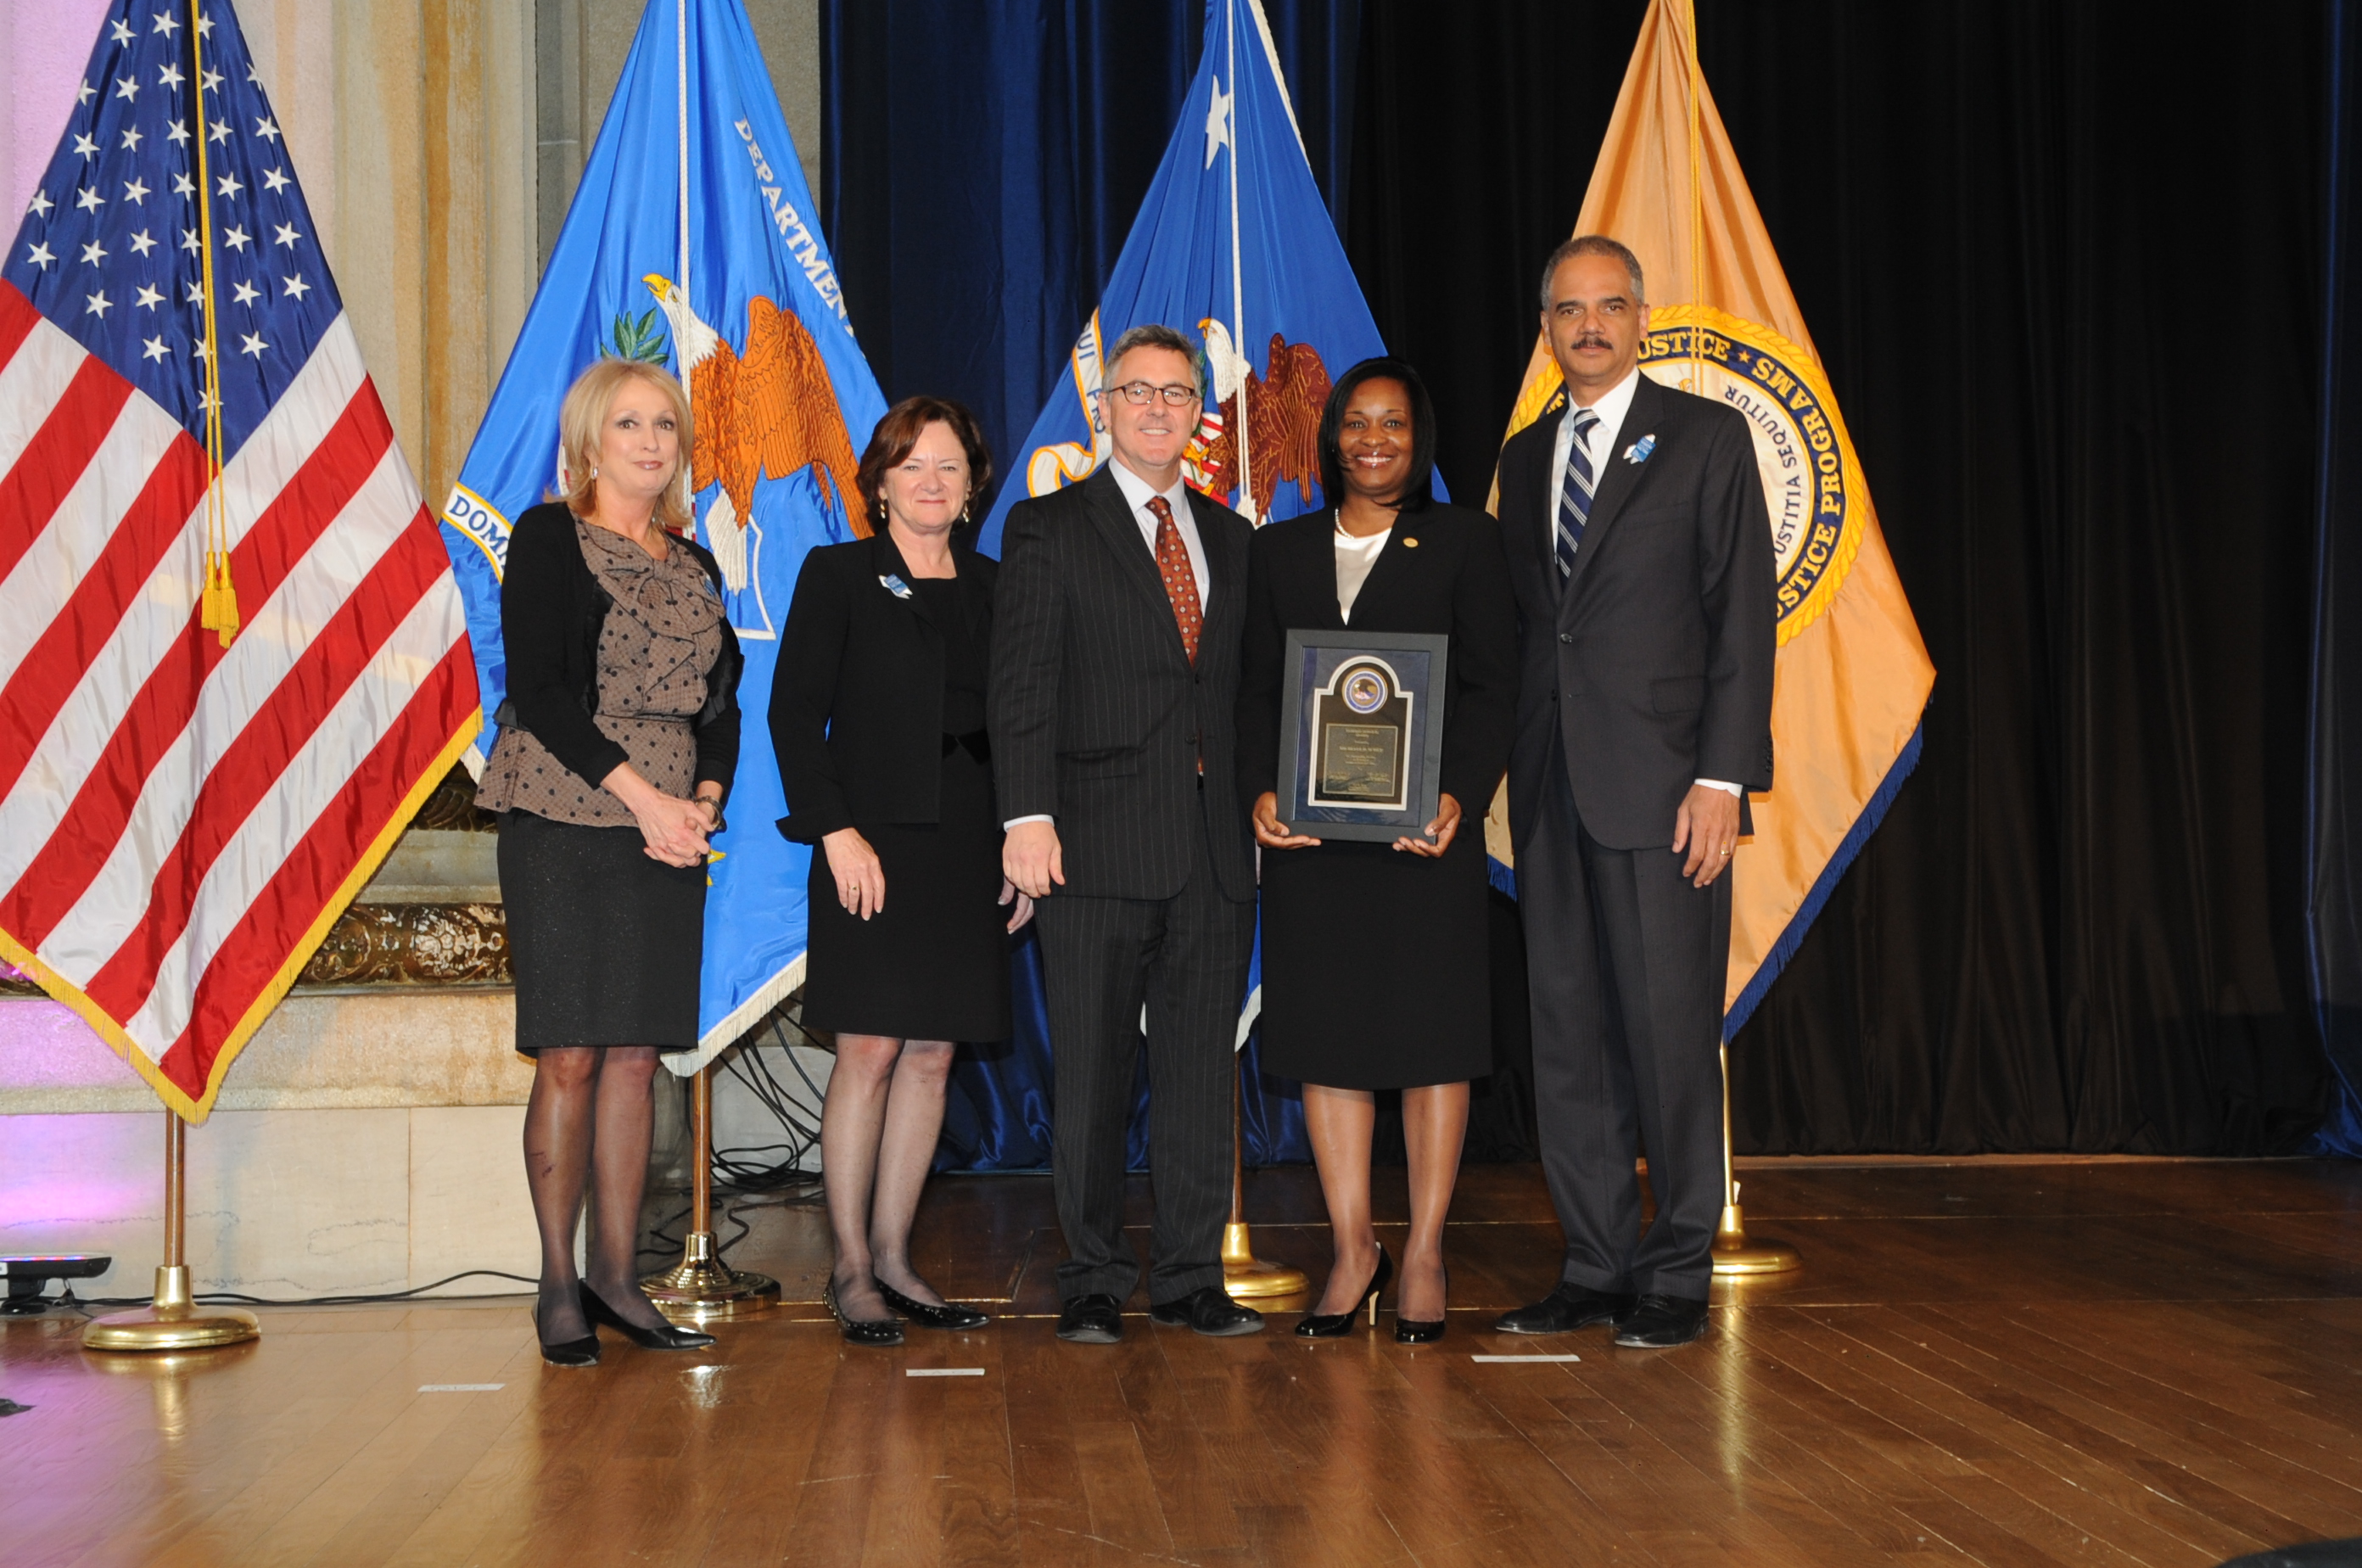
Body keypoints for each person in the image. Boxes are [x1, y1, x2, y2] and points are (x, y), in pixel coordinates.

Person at [1490, 236, 1774, 1349]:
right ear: (1548, 329)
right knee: (1568, 1037)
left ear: (1641, 319)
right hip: (1554, 786)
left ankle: (1676, 1268)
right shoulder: (1522, 458)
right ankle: (1596, 1263)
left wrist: (1721, 777)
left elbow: (1742, 618)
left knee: (1665, 1033)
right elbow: (1528, 631)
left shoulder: (1706, 439)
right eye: (1570, 310)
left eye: (1611, 306)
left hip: (1666, 789)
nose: (1591, 326)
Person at [990, 323, 1262, 1344]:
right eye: (1138, 392)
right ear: (1103, 406)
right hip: (1093, 845)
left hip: (1212, 854)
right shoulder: (1047, 528)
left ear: (1200, 413)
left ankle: (1192, 1277)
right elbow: (1021, 689)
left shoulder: (1234, 542)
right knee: (1095, 1074)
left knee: (1199, 1072)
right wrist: (1026, 818)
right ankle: (1095, 1276)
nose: (1158, 409)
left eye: (1178, 394)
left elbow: (1246, 699)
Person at [1235, 359, 1515, 1343]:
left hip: (1422, 841)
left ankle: (1426, 1249)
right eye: (1357, 423)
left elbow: (1491, 687)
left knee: (1434, 1041)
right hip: (1315, 845)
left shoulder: (1465, 543)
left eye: (1394, 424)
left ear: (1419, 436)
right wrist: (1258, 793)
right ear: (1331, 436)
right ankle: (1355, 1248)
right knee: (1329, 1044)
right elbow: (1254, 695)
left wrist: (1458, 796)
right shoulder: (1281, 550)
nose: (1374, 440)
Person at [476, 358, 741, 1367]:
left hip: (673, 823)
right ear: (591, 438)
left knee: (638, 1055)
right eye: (628, 423)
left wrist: (701, 805)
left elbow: (722, 710)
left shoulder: (698, 565)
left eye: (665, 425)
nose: (650, 441)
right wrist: (645, 802)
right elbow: (539, 690)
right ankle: (558, 1280)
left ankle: (621, 1279)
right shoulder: (549, 538)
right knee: (573, 1053)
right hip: (563, 810)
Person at [771, 396, 1029, 1347]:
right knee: (872, 1050)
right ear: (879, 484)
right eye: (912, 465)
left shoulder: (1000, 587)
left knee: (933, 1056)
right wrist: (835, 833)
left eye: (950, 467)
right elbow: (795, 718)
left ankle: (894, 1255)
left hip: (970, 850)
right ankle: (847, 1265)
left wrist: (1021, 838)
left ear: (973, 489)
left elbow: (1021, 729)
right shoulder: (837, 574)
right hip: (868, 850)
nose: (931, 481)